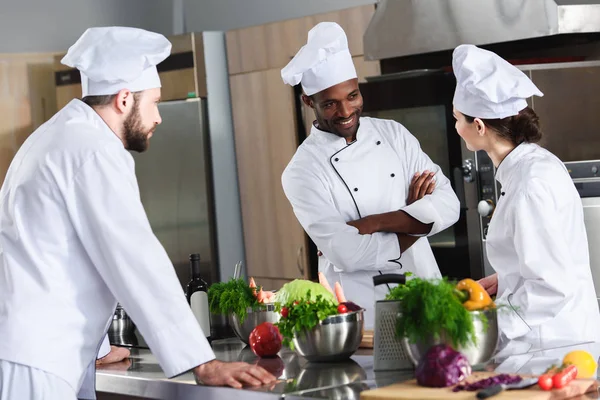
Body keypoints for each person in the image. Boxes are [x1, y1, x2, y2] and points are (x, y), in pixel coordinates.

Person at [0, 27, 275, 400]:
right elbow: (134, 257)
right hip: (35, 360)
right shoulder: (94, 151)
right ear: (125, 99)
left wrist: (98, 348)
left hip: (31, 351)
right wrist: (203, 363)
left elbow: (53, 255)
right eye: (155, 102)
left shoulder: (56, 137)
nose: (158, 117)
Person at [280, 22, 461, 329]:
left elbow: (449, 205)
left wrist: (375, 222)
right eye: (330, 103)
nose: (346, 110)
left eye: (353, 96)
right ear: (308, 102)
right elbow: (349, 254)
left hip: (426, 291)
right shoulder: (301, 172)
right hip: (362, 309)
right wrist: (417, 219)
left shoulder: (394, 135)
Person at [451, 44, 600, 345]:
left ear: (478, 126)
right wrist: (506, 280)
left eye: (457, 119)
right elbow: (548, 259)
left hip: (550, 345)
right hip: (557, 336)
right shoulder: (532, 166)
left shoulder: (529, 185)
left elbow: (551, 286)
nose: (456, 127)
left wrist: (485, 328)